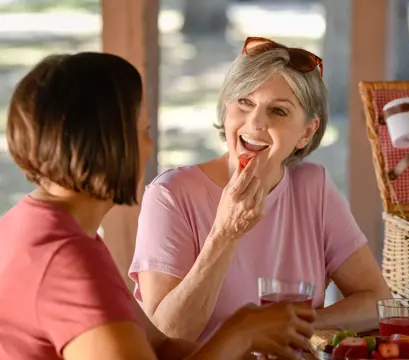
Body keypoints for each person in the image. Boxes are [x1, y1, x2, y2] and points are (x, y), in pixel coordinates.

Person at [0, 52, 316, 360]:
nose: (148, 148)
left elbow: (159, 346)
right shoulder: (66, 260)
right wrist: (239, 333)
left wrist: (240, 347)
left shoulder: (42, 226)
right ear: (113, 144)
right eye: (145, 131)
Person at [129, 36, 392, 342]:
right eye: (245, 102)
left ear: (306, 132)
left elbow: (375, 300)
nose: (254, 123)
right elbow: (168, 334)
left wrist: (287, 327)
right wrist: (225, 234)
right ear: (226, 108)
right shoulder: (170, 195)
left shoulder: (313, 187)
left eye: (278, 111)